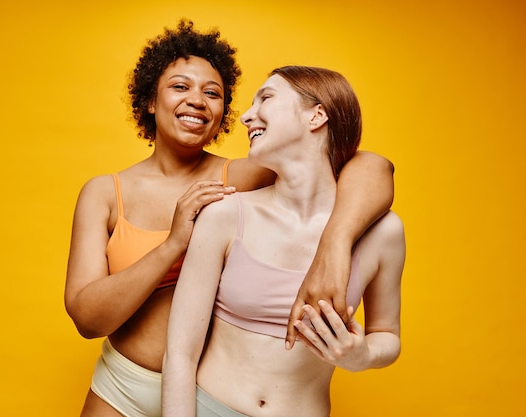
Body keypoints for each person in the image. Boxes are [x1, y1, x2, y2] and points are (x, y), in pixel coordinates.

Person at [65, 19, 395, 417]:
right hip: (124, 387)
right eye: (180, 87)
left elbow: (373, 167)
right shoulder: (103, 193)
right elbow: (86, 319)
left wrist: (336, 243)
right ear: (150, 101)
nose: (198, 101)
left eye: (213, 93)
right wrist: (173, 244)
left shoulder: (243, 178)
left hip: (207, 396)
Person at [162, 65, 405, 417]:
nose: (246, 116)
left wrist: (362, 354)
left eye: (266, 98)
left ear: (317, 115)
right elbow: (180, 354)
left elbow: (388, 334)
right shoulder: (225, 216)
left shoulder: (382, 233)